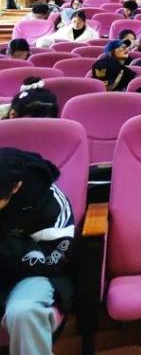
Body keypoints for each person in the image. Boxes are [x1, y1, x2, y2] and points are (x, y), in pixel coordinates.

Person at [0, 148, 76, 355]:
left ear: (16, 187)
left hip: (34, 273)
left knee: (24, 312)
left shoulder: (49, 200)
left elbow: (56, 258)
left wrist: (7, 250)